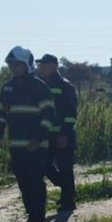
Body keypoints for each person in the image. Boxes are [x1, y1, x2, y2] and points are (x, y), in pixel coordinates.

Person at [0, 46, 55, 222]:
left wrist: (37, 138)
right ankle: (31, 216)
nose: (13, 68)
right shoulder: (7, 88)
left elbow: (49, 116)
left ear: (27, 64)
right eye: (11, 64)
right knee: (23, 182)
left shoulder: (39, 87)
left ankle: (38, 218)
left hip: (37, 145)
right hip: (16, 146)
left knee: (35, 181)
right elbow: (0, 114)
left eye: (17, 64)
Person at [36, 54, 78, 212]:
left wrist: (64, 134)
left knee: (65, 167)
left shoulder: (64, 85)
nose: (40, 68)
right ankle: (67, 187)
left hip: (62, 135)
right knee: (45, 165)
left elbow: (70, 113)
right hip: (47, 135)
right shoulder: (41, 84)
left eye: (43, 65)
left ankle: (68, 201)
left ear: (53, 67)